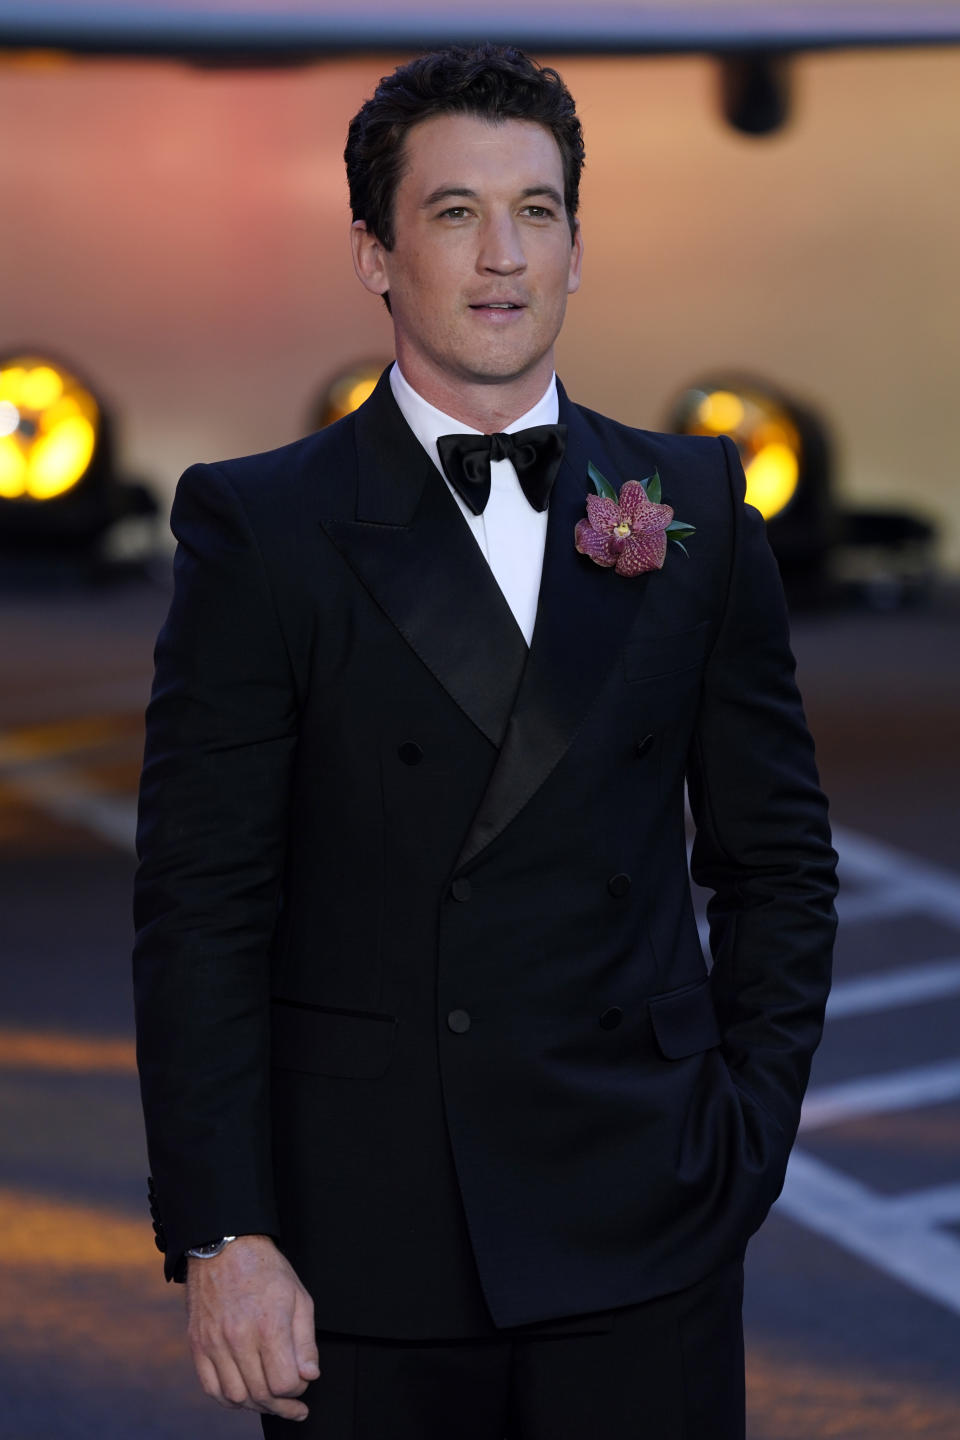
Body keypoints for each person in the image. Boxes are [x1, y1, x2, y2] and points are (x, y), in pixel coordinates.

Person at [133, 43, 837, 1440]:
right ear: (375, 255)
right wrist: (224, 1238)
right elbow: (201, 907)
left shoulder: (691, 501)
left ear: (580, 242)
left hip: (646, 1220)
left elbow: (779, 864)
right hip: (365, 1245)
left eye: (539, 210)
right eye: (455, 213)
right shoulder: (262, 528)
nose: (502, 256)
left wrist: (741, 1147)